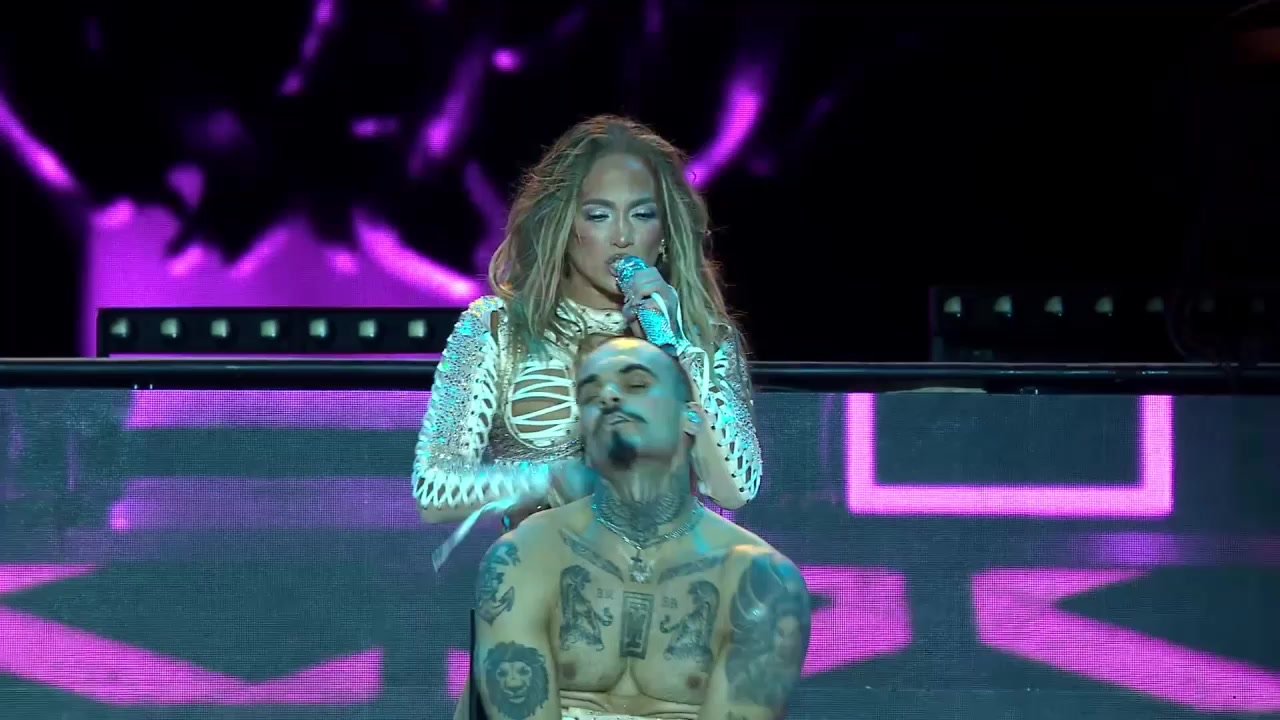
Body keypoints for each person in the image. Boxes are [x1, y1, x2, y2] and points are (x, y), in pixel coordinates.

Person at [412, 115, 763, 563]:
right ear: (564, 226)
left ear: (664, 234)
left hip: (667, 587)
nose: (623, 237)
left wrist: (676, 349)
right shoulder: (496, 328)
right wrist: (546, 480)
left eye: (642, 215)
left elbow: (735, 490)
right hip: (540, 583)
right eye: (599, 215)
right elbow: (434, 490)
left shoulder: (699, 337)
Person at [472, 337, 810, 720]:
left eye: (636, 384)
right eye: (590, 395)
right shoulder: (526, 556)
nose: (609, 397)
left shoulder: (759, 580)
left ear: (690, 417)